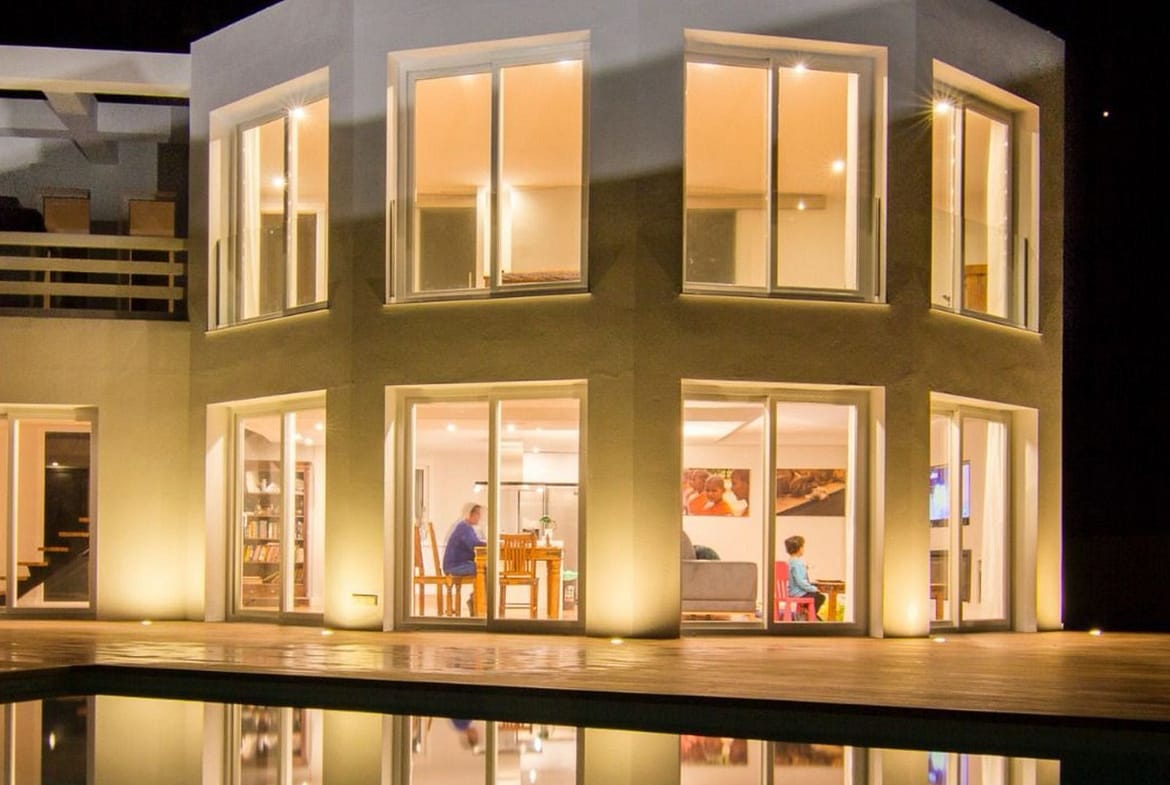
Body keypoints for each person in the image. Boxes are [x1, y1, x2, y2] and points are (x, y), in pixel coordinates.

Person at [443, 502, 486, 613]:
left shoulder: (466, 527)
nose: (479, 517)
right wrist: (489, 543)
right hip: (454, 566)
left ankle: (476, 600)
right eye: (478, 514)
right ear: (471, 514)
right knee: (483, 569)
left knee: (484, 569)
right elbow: (474, 545)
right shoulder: (464, 528)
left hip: (458, 564)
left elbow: (475, 544)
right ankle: (476, 602)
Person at [784, 535, 825, 620]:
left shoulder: (789, 562)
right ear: (799, 548)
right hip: (799, 594)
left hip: (791, 592)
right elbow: (801, 582)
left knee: (815, 594)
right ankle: (809, 615)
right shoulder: (798, 563)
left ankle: (806, 612)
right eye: (803, 547)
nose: (803, 549)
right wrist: (814, 589)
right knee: (820, 597)